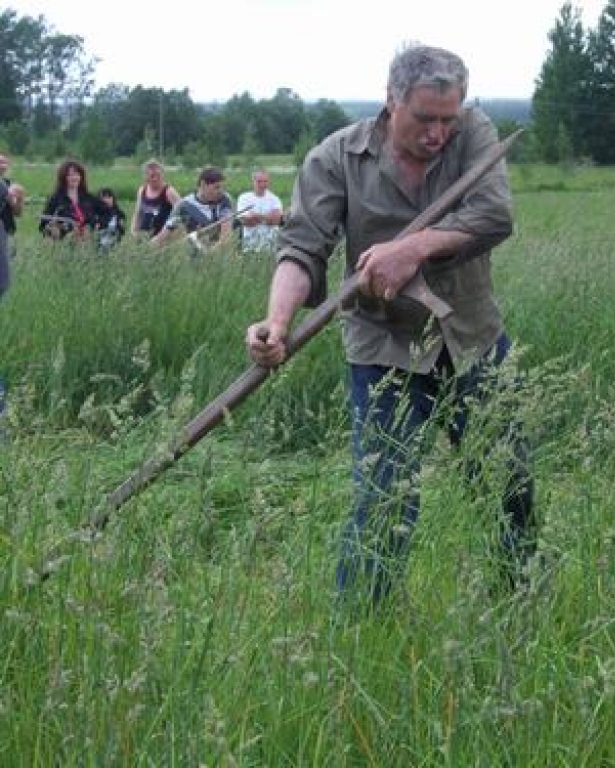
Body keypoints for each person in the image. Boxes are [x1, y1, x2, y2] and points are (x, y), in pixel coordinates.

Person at [245, 44, 535, 607]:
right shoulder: (335, 159)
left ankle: (518, 605)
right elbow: (302, 247)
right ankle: (360, 630)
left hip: (472, 338)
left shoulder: (475, 134)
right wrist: (276, 323)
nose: (438, 133)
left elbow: (495, 215)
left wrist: (414, 249)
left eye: (447, 118)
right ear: (390, 100)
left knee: (510, 484)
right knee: (384, 496)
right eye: (425, 118)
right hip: (385, 348)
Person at [150, 167, 234, 252]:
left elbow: (225, 239)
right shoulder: (184, 206)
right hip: (197, 254)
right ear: (203, 184)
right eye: (217, 187)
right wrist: (144, 250)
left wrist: (209, 256)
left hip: (220, 254)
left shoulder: (225, 199)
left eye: (222, 187)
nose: (221, 191)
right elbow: (162, 236)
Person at [39, 159, 100, 242]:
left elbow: (104, 215)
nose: (74, 178)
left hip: (88, 245)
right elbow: (43, 225)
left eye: (77, 174)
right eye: (70, 175)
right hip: (64, 245)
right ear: (63, 178)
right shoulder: (55, 199)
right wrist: (55, 230)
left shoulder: (89, 198)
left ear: (81, 177)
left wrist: (91, 227)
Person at [236, 169, 284, 254]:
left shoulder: (275, 199)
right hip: (250, 247)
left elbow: (277, 221)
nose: (262, 184)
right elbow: (246, 222)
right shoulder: (244, 198)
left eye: (265, 181)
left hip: (271, 248)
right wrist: (268, 218)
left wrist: (255, 216)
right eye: (259, 181)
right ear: (253, 181)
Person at [131, 159, 181, 239]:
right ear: (145, 176)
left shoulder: (169, 192)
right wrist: (133, 231)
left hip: (163, 240)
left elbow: (181, 214)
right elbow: (137, 213)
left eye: (158, 175)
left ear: (162, 174)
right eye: (152, 176)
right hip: (143, 238)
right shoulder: (142, 190)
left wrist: (162, 237)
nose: (155, 179)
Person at [0, 152, 25, 296]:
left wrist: (18, 198)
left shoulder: (10, 185)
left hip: (6, 233)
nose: (1, 165)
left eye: (4, 162)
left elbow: (18, 213)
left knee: (4, 275)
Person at [95, 187, 128, 252]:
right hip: (101, 245)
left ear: (113, 199)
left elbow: (123, 231)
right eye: (103, 198)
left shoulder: (119, 213)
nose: (107, 200)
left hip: (116, 244)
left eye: (109, 197)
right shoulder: (96, 214)